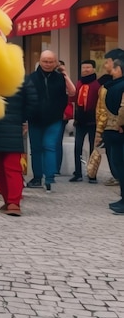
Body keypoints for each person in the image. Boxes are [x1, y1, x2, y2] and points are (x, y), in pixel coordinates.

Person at [25, 50, 76, 192]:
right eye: (45, 61)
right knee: (36, 149)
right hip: (35, 119)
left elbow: (72, 92)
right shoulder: (31, 78)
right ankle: (37, 177)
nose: (47, 64)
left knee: (49, 146)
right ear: (40, 62)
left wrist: (65, 74)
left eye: (51, 61)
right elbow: (25, 98)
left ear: (56, 62)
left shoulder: (60, 78)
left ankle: (49, 178)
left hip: (54, 119)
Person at [0, 79, 38, 216]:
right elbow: (33, 102)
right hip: (13, 127)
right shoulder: (23, 79)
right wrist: (22, 119)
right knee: (11, 167)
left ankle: (10, 202)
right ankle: (13, 202)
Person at [95, 49, 124, 186]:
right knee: (114, 157)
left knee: (117, 158)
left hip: (116, 128)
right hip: (110, 127)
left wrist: (120, 124)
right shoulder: (107, 84)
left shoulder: (115, 86)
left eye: (107, 62)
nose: (105, 65)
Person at [69, 60, 101, 183]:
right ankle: (78, 173)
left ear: (93, 69)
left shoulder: (97, 85)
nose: (86, 70)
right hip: (80, 120)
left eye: (88, 67)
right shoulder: (78, 83)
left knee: (94, 149)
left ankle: (92, 174)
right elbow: (73, 98)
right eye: (84, 67)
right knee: (77, 147)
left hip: (93, 120)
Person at [102, 59, 124, 214]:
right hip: (114, 129)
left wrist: (121, 124)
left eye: (114, 68)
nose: (111, 71)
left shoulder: (118, 86)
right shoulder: (115, 85)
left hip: (117, 129)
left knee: (120, 164)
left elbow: (123, 108)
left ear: (119, 69)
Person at [55, 60, 75, 175]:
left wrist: (65, 74)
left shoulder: (64, 78)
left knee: (57, 142)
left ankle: (56, 169)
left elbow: (72, 92)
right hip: (48, 114)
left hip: (62, 116)